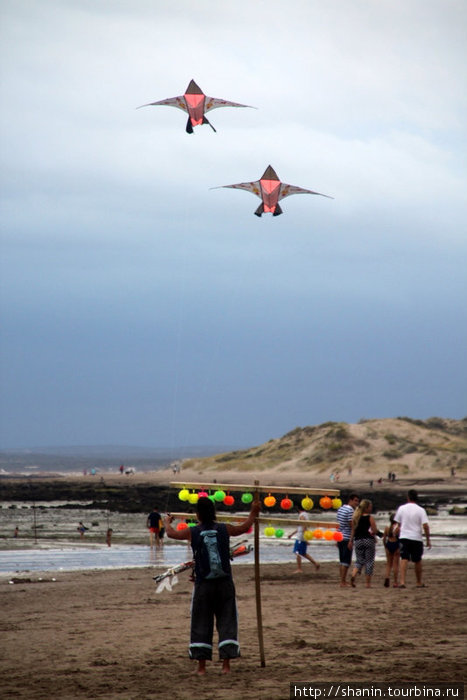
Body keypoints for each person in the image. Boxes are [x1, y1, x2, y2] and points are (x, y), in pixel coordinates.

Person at [164, 496, 260, 676]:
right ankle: (226, 666)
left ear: (198, 515)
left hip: (204, 585)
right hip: (224, 583)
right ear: (214, 513)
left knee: (201, 622)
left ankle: (201, 668)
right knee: (227, 620)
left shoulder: (193, 531)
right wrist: (253, 512)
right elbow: (244, 527)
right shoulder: (225, 529)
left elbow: (171, 534)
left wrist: (167, 522)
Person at [394, 489, 431, 588]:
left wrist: (395, 532)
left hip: (404, 537)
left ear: (408, 497)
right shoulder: (421, 510)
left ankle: (402, 581)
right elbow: (425, 526)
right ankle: (418, 582)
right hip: (416, 537)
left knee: (404, 558)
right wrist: (428, 539)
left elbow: (398, 524)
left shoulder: (401, 508)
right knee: (417, 560)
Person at [349, 499, 378, 588]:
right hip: (368, 540)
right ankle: (367, 583)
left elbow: (353, 531)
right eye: (370, 507)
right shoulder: (370, 518)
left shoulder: (356, 517)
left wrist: (350, 541)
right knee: (369, 561)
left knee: (359, 560)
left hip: (358, 541)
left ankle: (353, 575)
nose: (371, 508)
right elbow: (374, 530)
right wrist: (378, 535)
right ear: (366, 508)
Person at [336, 493, 360, 586]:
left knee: (342, 560)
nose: (357, 503)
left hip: (340, 536)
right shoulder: (350, 510)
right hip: (346, 537)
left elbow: (338, 524)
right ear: (350, 500)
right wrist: (351, 540)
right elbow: (352, 525)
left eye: (357, 501)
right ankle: (343, 581)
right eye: (355, 501)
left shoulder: (341, 508)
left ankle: (342, 580)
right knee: (346, 561)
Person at [288, 507, 320, 574]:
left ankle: (299, 569)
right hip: (302, 536)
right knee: (303, 553)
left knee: (297, 552)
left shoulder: (302, 515)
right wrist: (292, 534)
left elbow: (304, 526)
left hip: (301, 537)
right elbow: (300, 527)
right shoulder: (305, 514)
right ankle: (316, 564)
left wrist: (305, 538)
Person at [383, 514, 400, 587]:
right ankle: (395, 582)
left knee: (389, 564)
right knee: (395, 564)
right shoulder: (398, 528)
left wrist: (385, 546)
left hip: (389, 544)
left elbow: (384, 539)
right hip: (396, 544)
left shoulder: (387, 528)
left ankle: (387, 577)